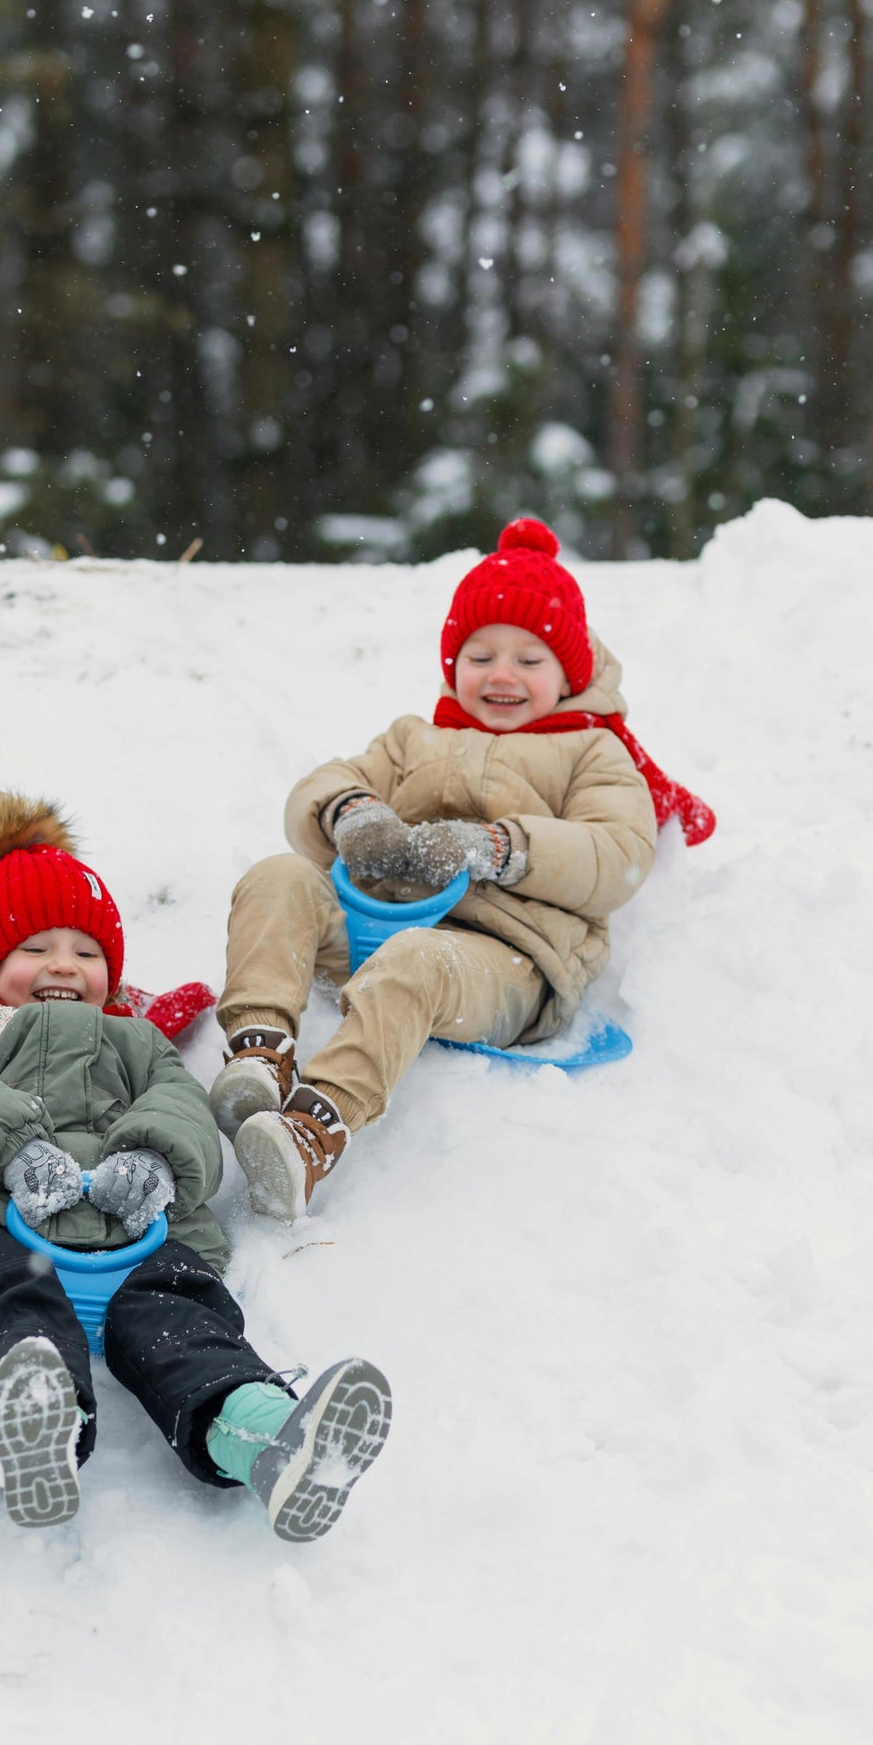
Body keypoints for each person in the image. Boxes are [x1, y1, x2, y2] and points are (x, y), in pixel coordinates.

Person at [0, 792, 391, 1533]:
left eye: (86, 952)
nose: (63, 967)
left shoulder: (134, 1041)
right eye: (34, 949)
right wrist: (11, 1146)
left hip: (128, 1232)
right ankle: (34, 1428)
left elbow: (181, 1108)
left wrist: (152, 1157)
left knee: (184, 1324)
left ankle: (263, 1434)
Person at [211, 517, 714, 1220]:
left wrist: (499, 848)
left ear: (568, 671)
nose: (501, 675)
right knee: (276, 877)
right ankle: (259, 1053)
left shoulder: (592, 753)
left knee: (417, 960)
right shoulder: (414, 737)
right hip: (372, 926)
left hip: (505, 963)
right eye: (480, 655)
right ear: (453, 664)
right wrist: (353, 812)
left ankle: (309, 1134)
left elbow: (617, 858)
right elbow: (317, 787)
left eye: (528, 659)